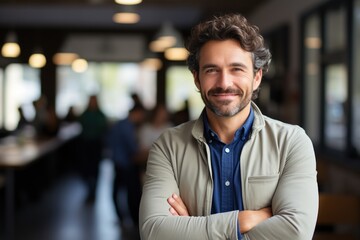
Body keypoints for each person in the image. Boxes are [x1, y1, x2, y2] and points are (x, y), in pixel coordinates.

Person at [139, 13, 318, 240]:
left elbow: (295, 232)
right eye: (212, 70)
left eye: (237, 69)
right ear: (197, 79)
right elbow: (153, 232)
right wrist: (243, 220)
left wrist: (193, 228)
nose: (224, 83)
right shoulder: (168, 146)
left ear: (257, 78)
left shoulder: (292, 142)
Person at [107, 99, 146, 231]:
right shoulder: (127, 126)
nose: (142, 118)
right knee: (131, 193)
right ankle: (133, 220)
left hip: (118, 162)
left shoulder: (120, 124)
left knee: (117, 191)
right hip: (126, 164)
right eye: (142, 115)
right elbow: (133, 149)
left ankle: (122, 218)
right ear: (137, 113)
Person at [78, 95, 108, 203]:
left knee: (95, 168)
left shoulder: (100, 115)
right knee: (86, 168)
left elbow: (103, 127)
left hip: (96, 144)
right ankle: (89, 189)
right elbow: (82, 124)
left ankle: (93, 191)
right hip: (86, 144)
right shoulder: (85, 114)